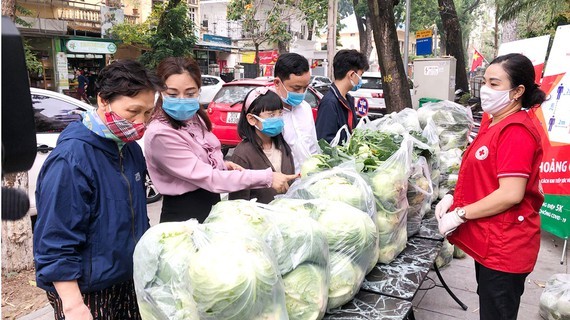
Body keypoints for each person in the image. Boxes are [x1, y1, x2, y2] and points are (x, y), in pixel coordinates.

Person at [33, 60, 162, 320]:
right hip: (87, 292)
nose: (140, 122)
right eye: (133, 111)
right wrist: (72, 305)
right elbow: (55, 240)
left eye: (147, 114)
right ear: (103, 101)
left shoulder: (130, 149)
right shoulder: (72, 159)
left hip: (128, 280)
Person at [435, 53, 546, 320]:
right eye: (484, 81)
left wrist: (460, 214)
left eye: (494, 84)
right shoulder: (492, 120)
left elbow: (511, 193)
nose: (485, 89)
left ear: (518, 91)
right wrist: (453, 197)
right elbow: (483, 176)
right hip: (490, 241)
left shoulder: (516, 131)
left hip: (506, 247)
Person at [145, 57, 297, 223]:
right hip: (184, 213)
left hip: (210, 203)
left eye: (190, 93)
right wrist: (267, 178)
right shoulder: (161, 134)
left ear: (198, 91)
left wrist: (222, 164)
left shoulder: (194, 117)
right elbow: (208, 177)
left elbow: (198, 161)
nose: (182, 100)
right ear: (160, 92)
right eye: (173, 94)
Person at [228, 87, 295, 203]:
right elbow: (237, 202)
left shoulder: (282, 146)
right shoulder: (242, 154)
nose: (278, 118)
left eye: (280, 113)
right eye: (271, 115)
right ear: (252, 119)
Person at [273, 53, 318, 174]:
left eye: (305, 88)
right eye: (296, 88)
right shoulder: (268, 114)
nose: (301, 93)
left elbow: (312, 146)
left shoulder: (305, 108)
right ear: (277, 83)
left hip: (306, 180)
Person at [315, 49, 369, 143]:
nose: (360, 80)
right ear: (352, 74)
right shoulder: (330, 103)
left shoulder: (348, 99)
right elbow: (324, 142)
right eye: (361, 75)